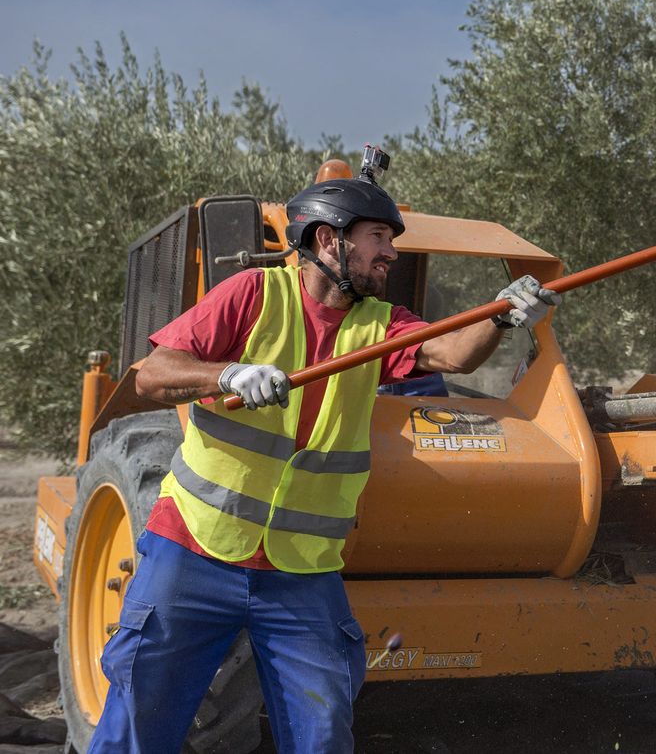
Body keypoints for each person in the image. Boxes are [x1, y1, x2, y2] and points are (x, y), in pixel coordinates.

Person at [89, 159, 558, 754]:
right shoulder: (251, 295)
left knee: (323, 733)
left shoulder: (384, 324)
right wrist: (227, 372)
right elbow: (154, 374)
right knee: (138, 719)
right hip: (194, 551)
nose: (390, 253)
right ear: (328, 239)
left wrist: (502, 315)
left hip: (300, 573)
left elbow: (455, 354)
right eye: (379, 238)